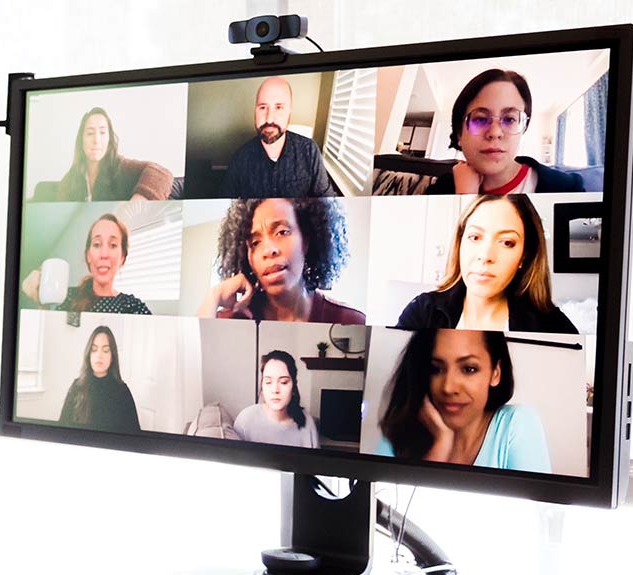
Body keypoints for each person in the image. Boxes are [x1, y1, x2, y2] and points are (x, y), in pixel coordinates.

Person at [396, 195, 578, 334]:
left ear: (524, 256)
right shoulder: (422, 311)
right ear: (460, 244)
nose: (485, 256)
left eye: (507, 242)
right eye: (475, 237)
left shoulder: (555, 327)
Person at [375, 329, 552, 472]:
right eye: (435, 369)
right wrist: (440, 447)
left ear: (495, 372)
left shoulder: (515, 425)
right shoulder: (398, 435)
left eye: (469, 369)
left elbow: (538, 511)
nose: (448, 387)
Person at [198, 198, 366, 324]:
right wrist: (214, 295)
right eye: (255, 243)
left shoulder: (351, 321)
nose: (268, 250)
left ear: (306, 240)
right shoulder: (229, 320)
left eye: (282, 232)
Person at [427, 69, 587, 195]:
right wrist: (463, 198)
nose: (495, 132)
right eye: (480, 119)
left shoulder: (566, 188)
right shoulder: (441, 190)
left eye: (509, 119)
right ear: (459, 134)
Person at [218, 77, 341, 198]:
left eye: (278, 107)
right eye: (262, 107)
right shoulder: (240, 159)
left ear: (289, 111)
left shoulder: (309, 151)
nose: (269, 118)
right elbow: (224, 208)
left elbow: (327, 204)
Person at [30, 108, 173, 202]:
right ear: (81, 139)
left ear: (110, 138)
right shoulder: (71, 178)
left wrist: (137, 203)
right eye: (90, 133)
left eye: (103, 133)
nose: (96, 140)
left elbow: (162, 173)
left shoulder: (122, 167)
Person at [20, 213, 152, 314]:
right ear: (88, 255)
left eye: (112, 245)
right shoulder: (67, 298)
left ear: (122, 257)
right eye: (96, 244)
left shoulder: (134, 307)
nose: (104, 254)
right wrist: (37, 297)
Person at [58, 326, 143, 432]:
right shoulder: (77, 386)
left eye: (106, 350)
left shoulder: (122, 391)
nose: (99, 355)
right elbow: (62, 428)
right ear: (88, 355)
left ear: (113, 357)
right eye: (94, 350)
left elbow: (133, 433)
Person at [233, 350, 320, 448]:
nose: (275, 390)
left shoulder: (307, 422)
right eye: (268, 382)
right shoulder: (246, 420)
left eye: (283, 382)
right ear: (262, 385)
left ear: (294, 386)